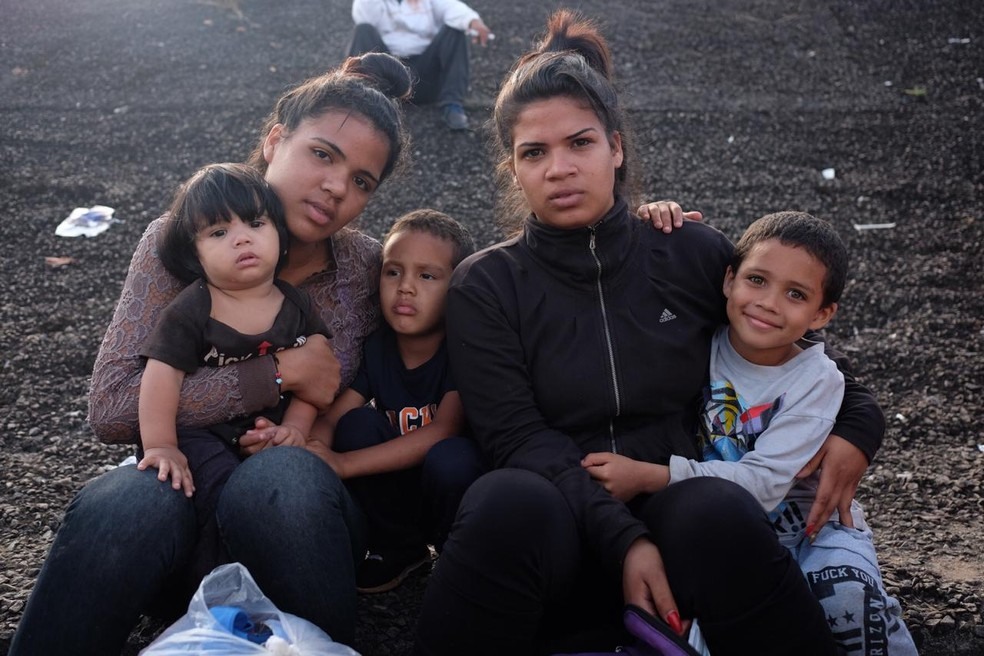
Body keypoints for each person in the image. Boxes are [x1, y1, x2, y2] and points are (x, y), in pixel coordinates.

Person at [413, 11, 884, 656]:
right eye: (535, 153)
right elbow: (517, 435)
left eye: (580, 143)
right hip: (556, 513)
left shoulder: (687, 252)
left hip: (675, 502)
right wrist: (623, 540)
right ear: (514, 169)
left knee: (717, 508)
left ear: (617, 147)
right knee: (503, 501)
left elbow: (787, 342)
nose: (559, 168)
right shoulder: (487, 286)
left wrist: (859, 426)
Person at [10, 52, 413, 656]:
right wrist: (273, 375)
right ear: (275, 141)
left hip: (300, 521)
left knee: (280, 479)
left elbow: (426, 354)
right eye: (323, 154)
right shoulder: (178, 240)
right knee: (127, 503)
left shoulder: (363, 268)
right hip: (185, 484)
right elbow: (113, 408)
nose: (336, 187)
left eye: (362, 181)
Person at [583, 211, 917, 656]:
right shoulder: (701, 340)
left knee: (853, 604)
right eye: (757, 280)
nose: (768, 302)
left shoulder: (817, 381)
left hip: (810, 528)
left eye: (795, 294)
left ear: (823, 313)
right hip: (718, 530)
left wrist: (649, 476)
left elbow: (761, 486)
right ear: (728, 280)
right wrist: (650, 216)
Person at [137, 162, 333, 582]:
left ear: (280, 236)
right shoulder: (194, 307)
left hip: (266, 431)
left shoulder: (295, 304)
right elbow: (161, 376)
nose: (241, 237)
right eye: (218, 233)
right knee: (221, 492)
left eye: (255, 223)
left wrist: (296, 427)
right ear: (196, 254)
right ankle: (214, 584)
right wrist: (161, 444)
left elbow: (316, 379)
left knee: (274, 492)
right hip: (201, 436)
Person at [301, 208, 485, 594]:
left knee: (452, 457)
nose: (405, 287)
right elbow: (335, 416)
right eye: (393, 271)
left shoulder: (462, 348)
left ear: (457, 287)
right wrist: (314, 446)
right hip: (398, 489)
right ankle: (399, 548)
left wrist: (342, 463)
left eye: (427, 276)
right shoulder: (379, 348)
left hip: (453, 488)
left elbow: (444, 429)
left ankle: (459, 556)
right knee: (357, 424)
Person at [347, 0, 493, 131]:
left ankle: (452, 104)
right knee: (363, 30)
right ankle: (361, 103)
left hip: (425, 77)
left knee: (455, 30)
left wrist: (472, 20)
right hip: (388, 78)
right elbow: (363, 16)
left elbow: (451, 7)